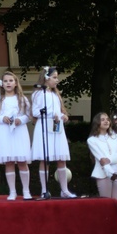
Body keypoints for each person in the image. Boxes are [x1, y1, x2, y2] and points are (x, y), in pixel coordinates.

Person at [31, 67, 76, 198]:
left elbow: (59, 110)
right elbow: (35, 112)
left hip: (56, 128)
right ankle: (44, 190)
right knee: (45, 158)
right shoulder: (39, 94)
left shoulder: (56, 94)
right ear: (46, 78)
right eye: (54, 77)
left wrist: (63, 115)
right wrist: (52, 114)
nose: (57, 80)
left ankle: (64, 190)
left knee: (61, 158)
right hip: (45, 127)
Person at [0, 71, 33, 200]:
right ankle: (12, 191)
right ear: (2, 84)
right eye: (5, 81)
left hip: (19, 131)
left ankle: (26, 190)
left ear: (15, 83)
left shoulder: (22, 99)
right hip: (4, 131)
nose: (8, 83)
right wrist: (2, 118)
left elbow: (28, 115)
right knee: (9, 161)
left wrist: (21, 120)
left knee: (22, 160)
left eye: (10, 80)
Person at [87, 112, 117, 204]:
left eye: (107, 119)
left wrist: (109, 160)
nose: (106, 121)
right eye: (102, 120)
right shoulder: (92, 140)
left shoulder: (115, 137)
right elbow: (101, 159)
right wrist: (111, 173)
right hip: (103, 174)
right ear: (97, 123)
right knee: (107, 204)